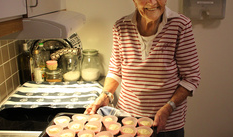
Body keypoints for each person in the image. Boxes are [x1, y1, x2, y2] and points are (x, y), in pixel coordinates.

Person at [84, 0, 201, 136]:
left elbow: (191, 78)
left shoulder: (180, 25)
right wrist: (106, 95)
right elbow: (116, 70)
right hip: (127, 120)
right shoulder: (121, 26)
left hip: (166, 124)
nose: (153, 2)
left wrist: (168, 108)